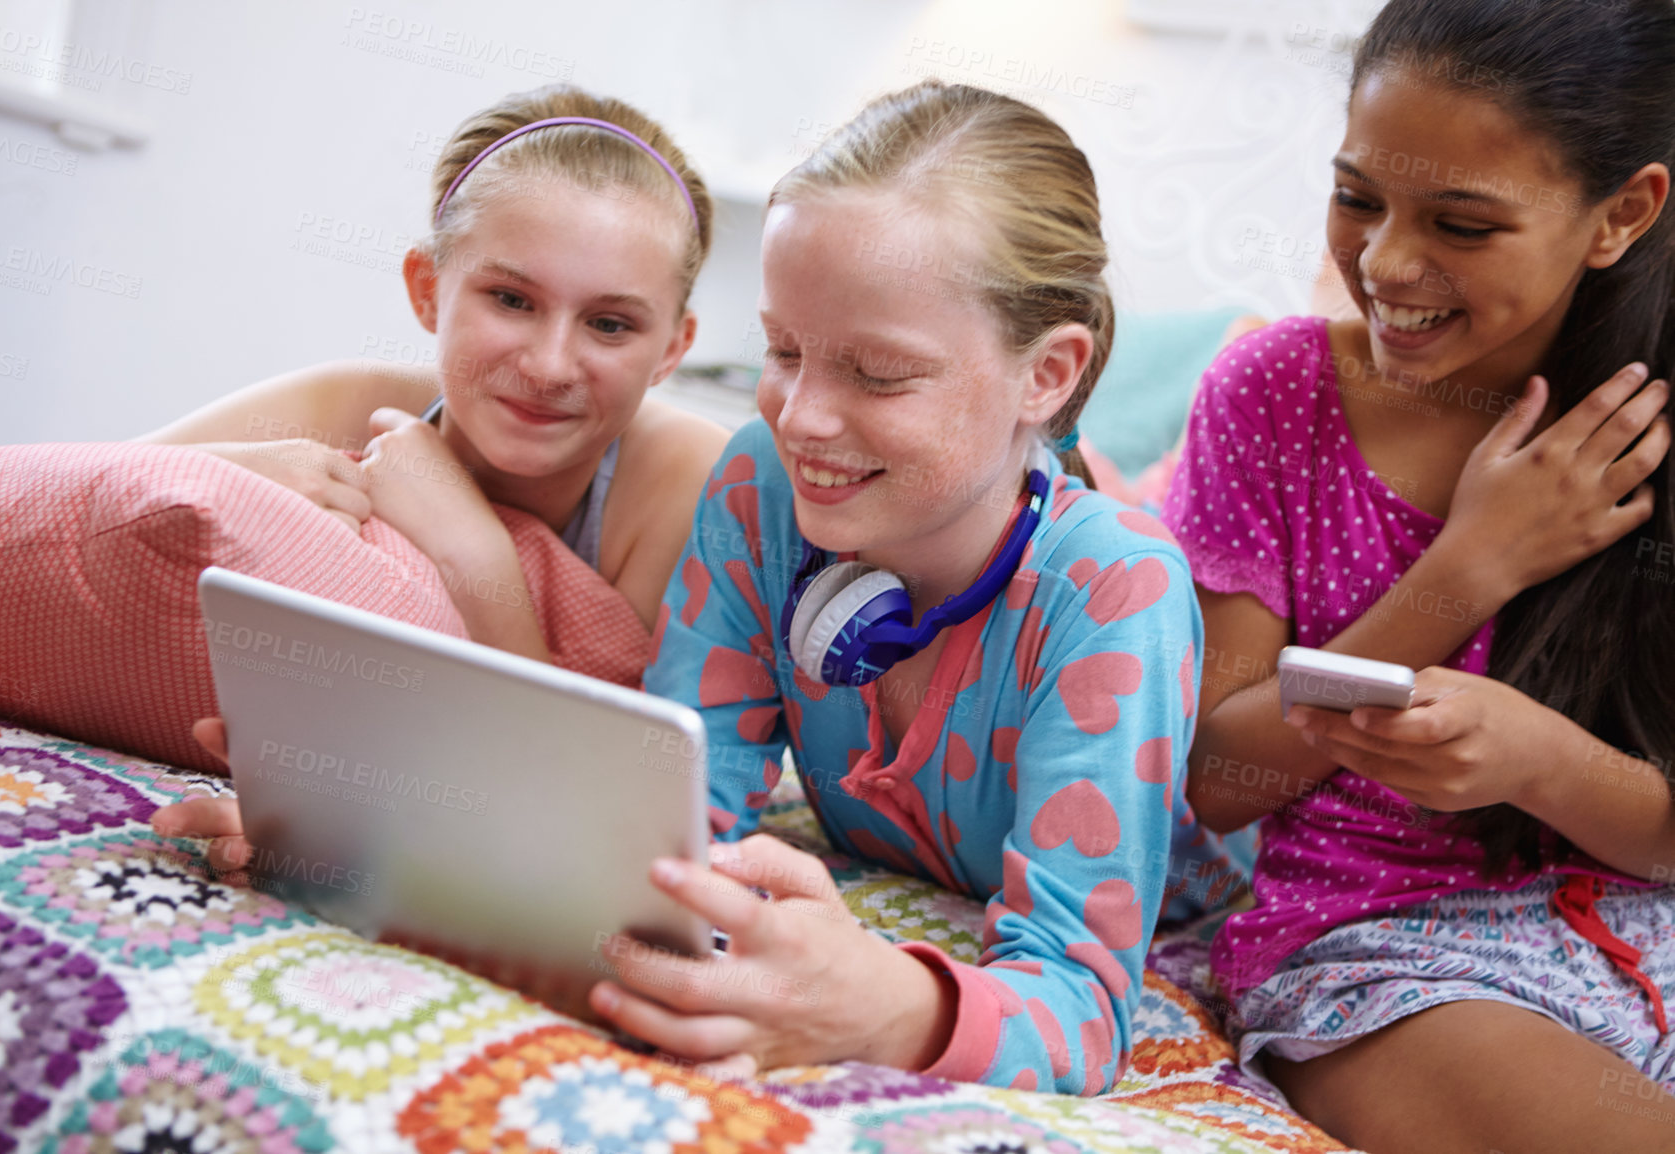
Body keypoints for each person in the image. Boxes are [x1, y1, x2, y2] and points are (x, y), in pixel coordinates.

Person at [589, 79, 1246, 1093]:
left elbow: (1078, 1005)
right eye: (782, 350)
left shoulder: (1113, 589)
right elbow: (675, 800)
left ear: (1048, 373)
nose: (801, 416)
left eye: (880, 374)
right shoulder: (760, 483)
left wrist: (881, 1002)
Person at [1165, 2, 1675, 1150]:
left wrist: (1538, 757)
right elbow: (1218, 774)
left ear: (1621, 214)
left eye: (1460, 222)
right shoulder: (1272, 396)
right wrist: (1468, 568)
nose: (1387, 262)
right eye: (1357, 198)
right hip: (1378, 943)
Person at [139, 84, 728, 657]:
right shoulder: (351, 404)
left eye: (610, 325)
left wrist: (474, 556)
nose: (549, 368)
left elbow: (580, 752)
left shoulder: (700, 485)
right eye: (511, 300)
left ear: (673, 350)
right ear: (427, 289)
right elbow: (77, 481)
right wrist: (236, 471)